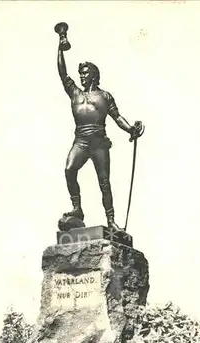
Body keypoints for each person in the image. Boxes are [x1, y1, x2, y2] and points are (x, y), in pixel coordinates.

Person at [57, 44, 143, 231]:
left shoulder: (104, 96)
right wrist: (60, 48)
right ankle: (77, 209)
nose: (82, 76)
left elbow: (117, 117)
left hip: (98, 142)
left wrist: (130, 130)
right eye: (81, 73)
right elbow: (63, 74)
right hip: (80, 140)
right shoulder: (75, 93)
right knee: (69, 170)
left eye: (85, 73)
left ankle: (111, 220)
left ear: (94, 75)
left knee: (104, 182)